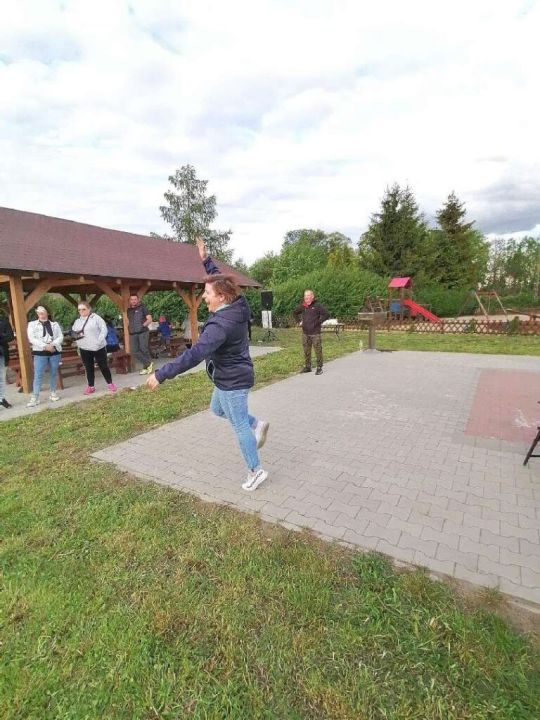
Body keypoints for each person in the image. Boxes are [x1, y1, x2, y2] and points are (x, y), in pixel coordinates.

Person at [146, 238, 270, 492]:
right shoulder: (238, 303)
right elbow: (219, 279)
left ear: (221, 297)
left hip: (233, 380)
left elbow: (194, 355)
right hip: (227, 376)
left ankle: (255, 470)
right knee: (217, 409)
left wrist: (161, 374)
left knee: (238, 425)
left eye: (207, 294)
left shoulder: (219, 326)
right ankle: (256, 424)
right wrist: (206, 260)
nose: (204, 297)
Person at [71, 301, 117, 395]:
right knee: (88, 367)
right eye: (79, 310)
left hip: (98, 347)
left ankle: (110, 383)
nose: (81, 311)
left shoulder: (96, 318)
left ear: (89, 309)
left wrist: (99, 341)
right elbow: (74, 332)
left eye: (83, 309)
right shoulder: (77, 321)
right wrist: (77, 341)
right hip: (84, 347)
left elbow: (104, 330)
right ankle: (90, 386)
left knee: (103, 366)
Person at [26, 305, 64, 407]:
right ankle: (35, 397)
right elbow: (32, 338)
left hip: (54, 351)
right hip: (40, 352)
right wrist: (45, 346)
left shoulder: (55, 324)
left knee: (53, 373)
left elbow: (60, 336)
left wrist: (52, 344)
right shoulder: (32, 324)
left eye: (43, 311)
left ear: (47, 312)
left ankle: (53, 392)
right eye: (38, 311)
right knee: (38, 374)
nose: (41, 313)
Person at [292, 289, 330, 375]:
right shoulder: (303, 306)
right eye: (305, 296)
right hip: (305, 333)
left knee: (318, 350)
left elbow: (327, 314)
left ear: (312, 296)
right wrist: (299, 322)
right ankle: (307, 367)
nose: (306, 298)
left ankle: (319, 367)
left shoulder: (317, 305)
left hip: (315, 333)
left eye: (308, 296)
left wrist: (319, 322)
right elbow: (294, 313)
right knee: (306, 350)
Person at [126, 293, 153, 375]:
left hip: (143, 332)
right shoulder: (128, 310)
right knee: (134, 351)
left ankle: (146, 368)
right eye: (132, 299)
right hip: (132, 333)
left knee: (143, 349)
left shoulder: (143, 307)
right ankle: (149, 363)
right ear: (129, 301)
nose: (133, 301)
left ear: (138, 300)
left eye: (135, 299)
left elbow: (149, 319)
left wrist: (142, 326)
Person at [0, 307, 14, 409]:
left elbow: (10, 336)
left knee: (1, 378)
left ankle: (1, 399)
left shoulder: (4, 321)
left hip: (1, 353)